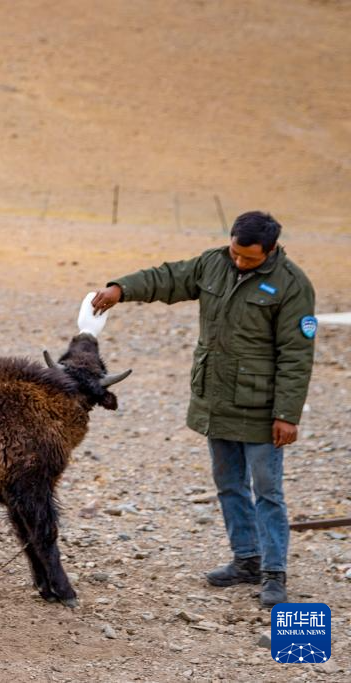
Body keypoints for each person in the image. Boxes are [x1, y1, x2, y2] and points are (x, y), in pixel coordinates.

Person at [91, 211, 315, 608]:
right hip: (217, 402)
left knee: (267, 491)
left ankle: (274, 572)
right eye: (235, 253)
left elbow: (296, 355)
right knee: (228, 485)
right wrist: (120, 288)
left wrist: (287, 414)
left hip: (262, 409)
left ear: (271, 250)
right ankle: (246, 559)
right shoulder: (213, 263)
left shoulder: (292, 285)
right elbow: (169, 278)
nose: (239, 262)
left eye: (249, 258)